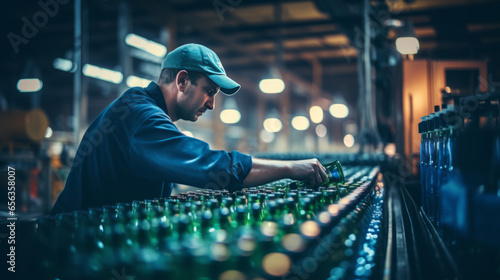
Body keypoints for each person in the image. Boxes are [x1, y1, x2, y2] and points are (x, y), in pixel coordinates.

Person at [51, 43, 327, 214]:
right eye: (209, 91)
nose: (212, 104)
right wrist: (290, 168)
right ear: (182, 81)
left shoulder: (142, 110)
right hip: (72, 248)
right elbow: (213, 168)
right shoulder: (142, 119)